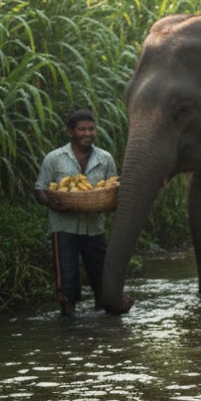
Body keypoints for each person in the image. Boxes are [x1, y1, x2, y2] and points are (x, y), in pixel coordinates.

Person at [34, 110, 130, 315]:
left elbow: (113, 189)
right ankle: (68, 320)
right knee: (66, 276)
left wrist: (108, 203)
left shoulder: (105, 158)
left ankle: (104, 316)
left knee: (102, 274)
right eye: (82, 129)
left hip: (94, 227)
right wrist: (52, 203)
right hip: (64, 227)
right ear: (71, 133)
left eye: (91, 129)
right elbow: (40, 189)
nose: (87, 133)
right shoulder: (55, 158)